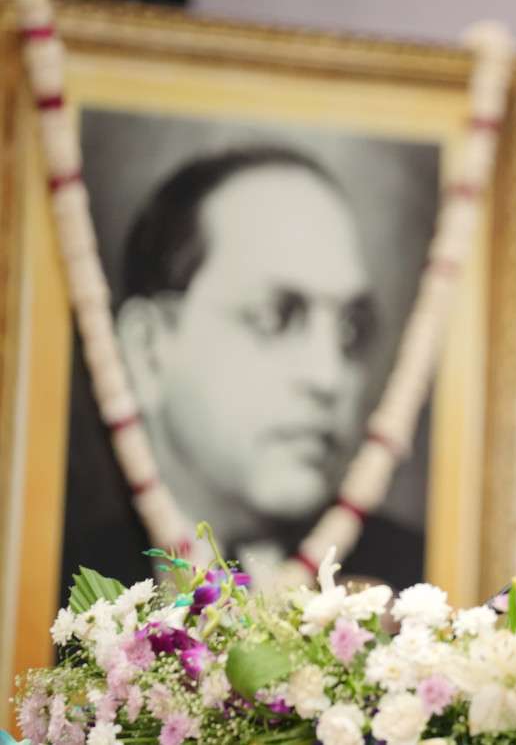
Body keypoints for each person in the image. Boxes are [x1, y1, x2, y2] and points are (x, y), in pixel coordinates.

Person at [113, 146, 394, 580]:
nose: (329, 376)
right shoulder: (42, 582)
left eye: (351, 330)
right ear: (147, 350)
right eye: (274, 317)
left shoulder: (418, 586)